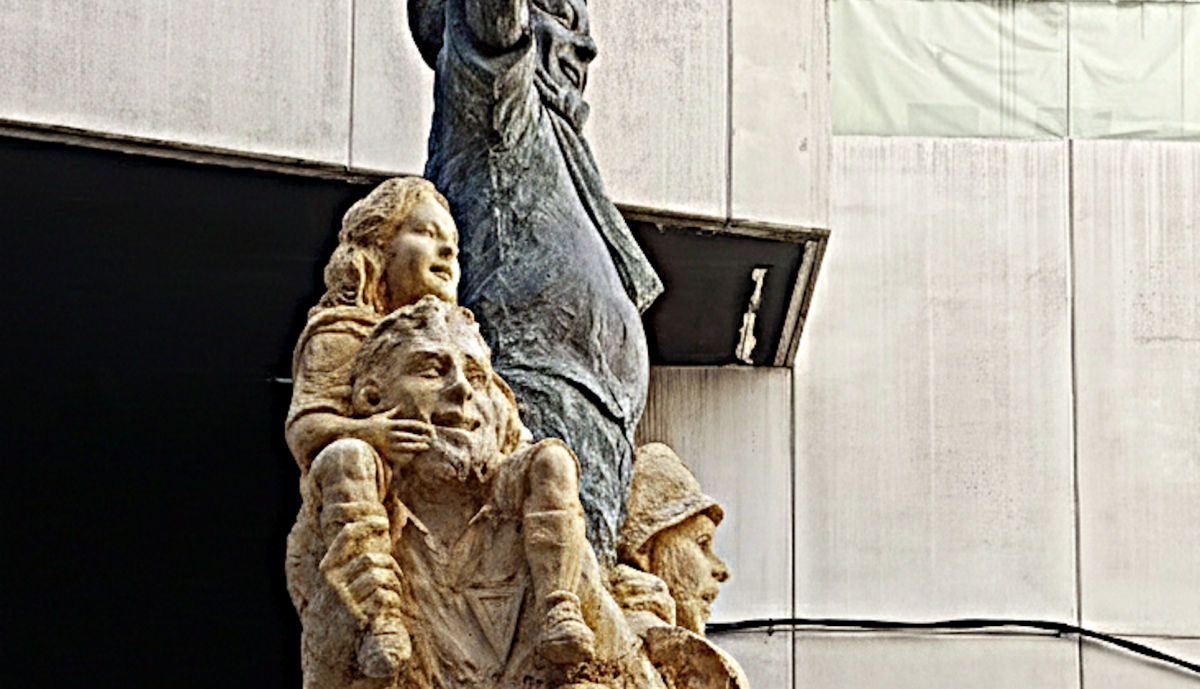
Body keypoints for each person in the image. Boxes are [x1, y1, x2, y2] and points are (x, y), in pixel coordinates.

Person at [290, 297, 666, 688]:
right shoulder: (350, 496)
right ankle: (380, 617)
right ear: (371, 398)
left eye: (477, 376)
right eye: (432, 370)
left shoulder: (543, 524)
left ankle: (559, 608)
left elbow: (626, 668)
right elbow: (327, 673)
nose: (461, 389)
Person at [409, 0, 664, 566]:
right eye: (561, 14)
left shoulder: (560, 147)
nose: (586, 48)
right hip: (527, 418)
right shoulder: (495, 105)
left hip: (595, 441)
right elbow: (492, 33)